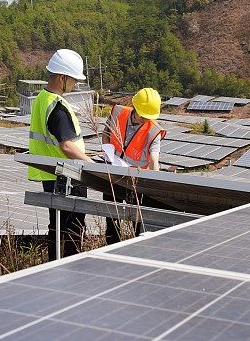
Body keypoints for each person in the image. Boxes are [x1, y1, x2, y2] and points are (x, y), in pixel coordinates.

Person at [27, 48, 93, 261]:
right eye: (73, 80)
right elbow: (66, 146)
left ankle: (53, 267)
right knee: (72, 228)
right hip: (67, 177)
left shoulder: (41, 99)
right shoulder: (58, 107)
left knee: (56, 227)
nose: (74, 84)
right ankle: (72, 270)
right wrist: (92, 164)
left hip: (50, 175)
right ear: (62, 78)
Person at [101, 87, 166, 244]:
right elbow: (105, 134)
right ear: (135, 107)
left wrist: (154, 182)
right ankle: (111, 249)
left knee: (137, 223)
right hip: (114, 175)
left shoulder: (153, 130)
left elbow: (153, 159)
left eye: (148, 117)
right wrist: (107, 153)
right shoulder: (118, 113)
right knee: (112, 221)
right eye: (143, 116)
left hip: (136, 183)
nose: (145, 120)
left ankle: (135, 248)